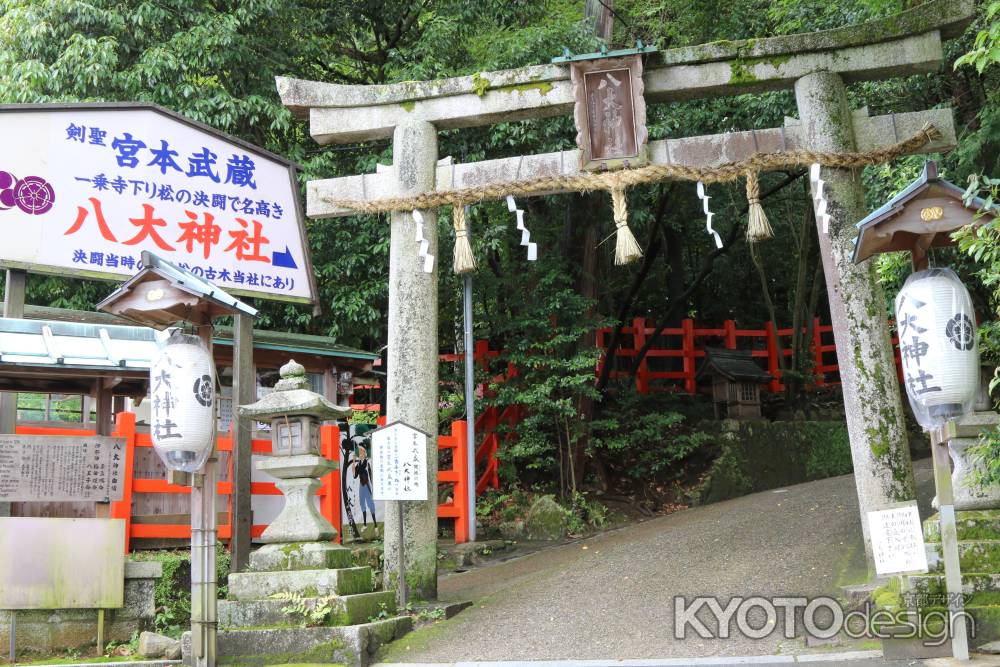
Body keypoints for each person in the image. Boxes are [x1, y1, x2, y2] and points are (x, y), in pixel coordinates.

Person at [353, 445, 376, 526]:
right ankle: (365, 524)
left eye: (362, 452)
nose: (360, 454)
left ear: (364, 453)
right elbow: (355, 476)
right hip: (361, 485)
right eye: (359, 453)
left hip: (367, 484)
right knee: (362, 503)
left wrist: (372, 487)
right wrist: (353, 463)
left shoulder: (367, 462)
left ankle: (375, 525)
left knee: (370, 503)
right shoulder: (358, 463)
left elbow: (366, 472)